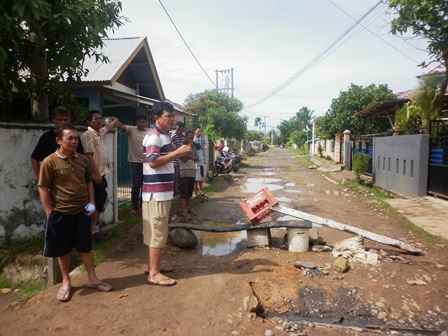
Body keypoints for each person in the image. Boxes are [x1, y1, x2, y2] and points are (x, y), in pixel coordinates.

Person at [38, 124, 113, 302]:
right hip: (60, 213)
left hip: (82, 212)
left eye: (75, 138)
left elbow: (89, 183)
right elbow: (43, 187)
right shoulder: (49, 162)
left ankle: (93, 279)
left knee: (85, 247)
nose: (73, 141)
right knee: (62, 249)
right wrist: (49, 212)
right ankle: (66, 282)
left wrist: (92, 203)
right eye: (69, 138)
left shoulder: (82, 160)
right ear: (59, 140)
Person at [142, 101, 191, 286]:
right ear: (156, 118)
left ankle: (152, 266)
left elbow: (167, 154)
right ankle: (154, 274)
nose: (172, 119)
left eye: (172, 116)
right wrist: (178, 151)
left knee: (155, 230)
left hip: (159, 192)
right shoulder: (154, 137)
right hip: (157, 193)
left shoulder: (163, 136)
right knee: (158, 231)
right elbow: (153, 162)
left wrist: (175, 146)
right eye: (167, 116)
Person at [80, 110, 118, 238]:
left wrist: (115, 121)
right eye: (95, 119)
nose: (98, 121)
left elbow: (107, 127)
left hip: (101, 173)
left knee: (100, 199)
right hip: (93, 175)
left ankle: (93, 225)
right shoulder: (87, 135)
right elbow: (88, 156)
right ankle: (89, 226)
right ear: (89, 121)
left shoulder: (99, 133)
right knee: (92, 201)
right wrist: (96, 174)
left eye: (100, 118)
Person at [31, 106, 84, 178]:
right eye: (60, 119)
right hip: (53, 178)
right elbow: (35, 158)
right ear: (54, 120)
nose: (63, 122)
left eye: (66, 119)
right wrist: (41, 178)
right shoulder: (46, 138)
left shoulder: (74, 136)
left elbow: (81, 157)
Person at [116, 114, 148, 215]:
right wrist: (115, 121)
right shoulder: (132, 130)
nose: (141, 124)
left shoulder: (149, 132)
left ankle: (144, 206)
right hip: (136, 162)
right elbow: (121, 126)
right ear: (136, 122)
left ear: (146, 122)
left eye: (143, 122)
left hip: (147, 163)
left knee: (145, 186)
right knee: (136, 185)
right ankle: (135, 207)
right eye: (139, 122)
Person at [179, 130, 198, 220]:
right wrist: (189, 149)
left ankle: (188, 208)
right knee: (184, 192)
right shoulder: (182, 146)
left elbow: (197, 158)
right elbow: (184, 158)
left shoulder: (194, 147)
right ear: (185, 137)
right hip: (184, 171)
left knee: (189, 192)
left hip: (192, 171)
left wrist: (191, 156)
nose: (191, 139)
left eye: (192, 137)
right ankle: (183, 210)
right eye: (189, 137)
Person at [170, 121, 185, 198]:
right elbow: (171, 147)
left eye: (180, 130)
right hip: (174, 160)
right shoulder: (173, 136)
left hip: (182, 160)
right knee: (175, 177)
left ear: (183, 129)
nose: (179, 132)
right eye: (177, 130)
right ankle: (175, 192)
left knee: (181, 176)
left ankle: (179, 191)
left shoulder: (184, 136)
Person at [193, 126, 207, 198]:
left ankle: (200, 191)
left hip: (201, 161)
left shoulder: (202, 139)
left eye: (200, 131)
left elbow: (204, 148)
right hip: (195, 162)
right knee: (196, 179)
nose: (199, 133)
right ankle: (195, 193)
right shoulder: (193, 140)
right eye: (198, 131)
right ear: (195, 131)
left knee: (201, 177)